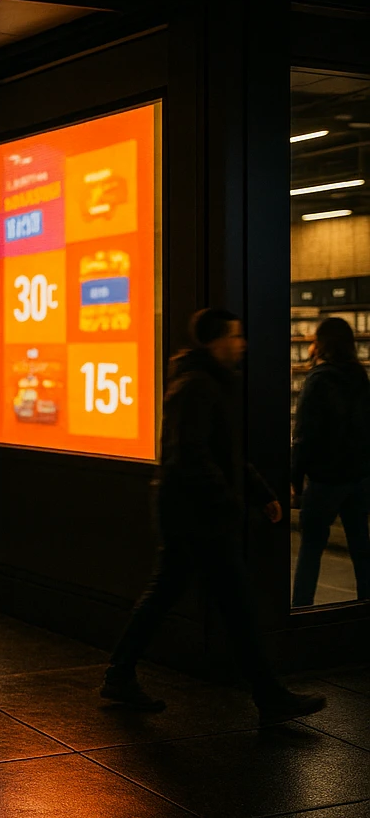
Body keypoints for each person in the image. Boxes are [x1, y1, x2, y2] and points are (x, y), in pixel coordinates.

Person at [102, 308, 326, 723]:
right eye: (235, 337)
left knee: (170, 593)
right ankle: (269, 694)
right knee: (237, 602)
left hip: (188, 509)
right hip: (198, 514)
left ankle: (120, 672)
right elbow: (195, 456)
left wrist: (259, 492)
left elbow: (224, 453)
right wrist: (231, 500)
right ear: (214, 340)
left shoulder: (204, 382)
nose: (241, 344)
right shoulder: (197, 386)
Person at [290, 316, 370, 606]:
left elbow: (304, 436)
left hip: (325, 481)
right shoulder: (360, 377)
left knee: (311, 550)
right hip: (358, 478)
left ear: (320, 344)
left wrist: (295, 481)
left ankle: (301, 609)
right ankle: (364, 608)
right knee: (361, 549)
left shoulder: (318, 380)